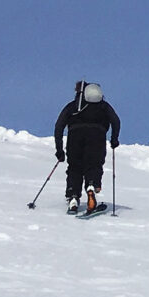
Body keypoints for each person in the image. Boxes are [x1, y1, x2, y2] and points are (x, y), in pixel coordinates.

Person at [52, 81, 121, 216]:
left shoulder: (72, 106)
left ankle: (73, 197)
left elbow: (58, 127)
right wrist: (114, 139)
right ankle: (91, 185)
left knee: (74, 168)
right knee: (94, 165)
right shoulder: (103, 106)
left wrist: (59, 150)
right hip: (97, 138)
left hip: (74, 139)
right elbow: (116, 121)